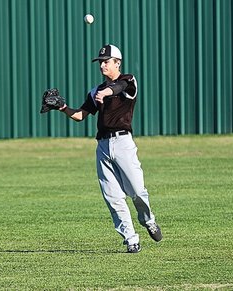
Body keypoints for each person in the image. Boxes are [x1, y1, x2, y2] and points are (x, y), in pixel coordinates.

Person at [58, 44, 162, 253]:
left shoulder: (129, 81)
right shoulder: (95, 91)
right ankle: (131, 239)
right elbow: (80, 115)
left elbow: (118, 88)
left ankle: (148, 220)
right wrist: (62, 107)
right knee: (112, 196)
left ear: (117, 63)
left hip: (123, 143)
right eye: (100, 62)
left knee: (137, 191)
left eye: (106, 61)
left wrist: (106, 92)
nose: (102, 65)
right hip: (103, 146)